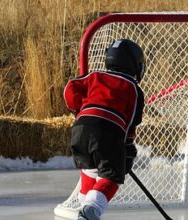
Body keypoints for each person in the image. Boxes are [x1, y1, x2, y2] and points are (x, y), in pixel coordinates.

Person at [63, 39, 145, 220]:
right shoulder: (133, 88)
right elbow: (131, 121)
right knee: (112, 175)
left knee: (89, 169)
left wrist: (80, 109)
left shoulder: (94, 76)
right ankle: (91, 209)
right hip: (108, 132)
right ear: (134, 64)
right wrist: (127, 149)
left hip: (80, 130)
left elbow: (70, 88)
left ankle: (84, 210)